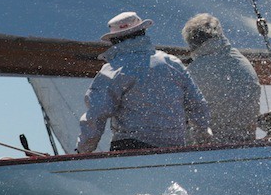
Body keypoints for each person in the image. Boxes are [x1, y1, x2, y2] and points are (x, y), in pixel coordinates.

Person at [77, 11, 212, 153]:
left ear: (114, 41)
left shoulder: (113, 69)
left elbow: (96, 114)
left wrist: (83, 150)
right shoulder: (172, 63)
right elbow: (197, 105)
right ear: (143, 32)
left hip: (130, 148)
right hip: (175, 149)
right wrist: (203, 137)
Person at [181, 13, 262, 144]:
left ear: (192, 42)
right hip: (246, 142)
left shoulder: (193, 72)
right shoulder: (242, 61)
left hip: (209, 147)